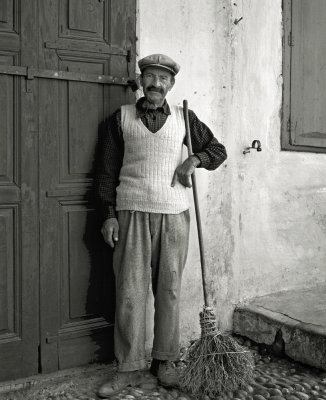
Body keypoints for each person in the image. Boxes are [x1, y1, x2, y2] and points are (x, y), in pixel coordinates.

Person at [95, 54, 227, 397]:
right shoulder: (120, 119)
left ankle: (165, 362)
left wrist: (194, 159)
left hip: (174, 214)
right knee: (129, 293)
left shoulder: (186, 118)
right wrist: (108, 214)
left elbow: (218, 150)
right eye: (150, 77)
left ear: (171, 84)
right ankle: (128, 368)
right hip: (131, 212)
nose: (156, 83)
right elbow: (106, 173)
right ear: (141, 81)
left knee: (168, 290)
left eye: (163, 79)